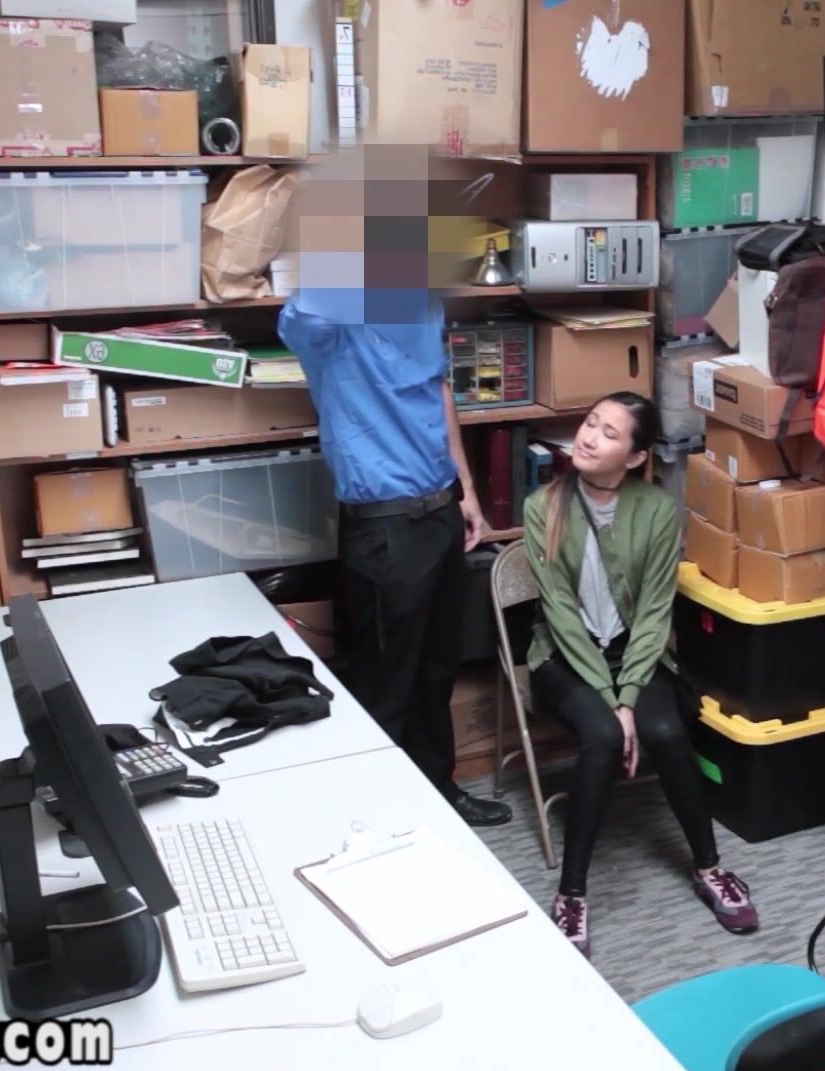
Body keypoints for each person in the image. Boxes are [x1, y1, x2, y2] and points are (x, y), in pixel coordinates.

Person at [275, 146, 511, 827]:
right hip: (383, 528)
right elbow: (312, 301)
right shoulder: (327, 319)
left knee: (437, 670)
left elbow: (438, 394)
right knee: (385, 685)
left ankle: (439, 794)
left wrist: (467, 491)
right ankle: (379, 821)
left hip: (438, 511)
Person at [523, 392, 759, 957]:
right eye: (590, 424)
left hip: (635, 654)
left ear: (634, 456)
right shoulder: (543, 506)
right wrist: (612, 705)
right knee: (604, 736)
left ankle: (709, 868)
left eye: (609, 433)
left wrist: (627, 696)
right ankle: (571, 894)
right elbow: (559, 613)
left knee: (667, 731)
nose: (588, 437)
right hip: (565, 658)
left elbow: (655, 613)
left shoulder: (655, 509)